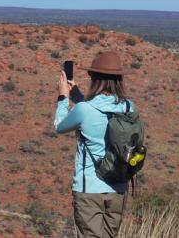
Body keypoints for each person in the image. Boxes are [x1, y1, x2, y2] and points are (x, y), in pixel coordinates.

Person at [54, 51, 135, 238]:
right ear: (120, 78)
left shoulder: (84, 109)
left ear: (92, 76)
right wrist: (78, 95)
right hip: (118, 188)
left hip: (89, 189)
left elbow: (59, 126)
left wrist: (63, 98)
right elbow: (104, 116)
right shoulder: (129, 107)